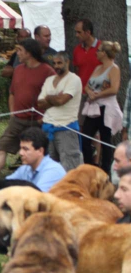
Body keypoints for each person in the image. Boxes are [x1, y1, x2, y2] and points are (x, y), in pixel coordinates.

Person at [0, 39, 55, 178]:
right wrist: (13, 112)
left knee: (32, 153)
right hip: (17, 120)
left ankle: (33, 181)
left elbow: (54, 96)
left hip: (37, 121)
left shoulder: (47, 71)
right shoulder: (18, 69)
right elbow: (12, 93)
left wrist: (44, 117)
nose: (16, 53)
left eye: (19, 50)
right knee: (1, 146)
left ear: (29, 53)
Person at [37, 52, 84, 171]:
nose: (56, 66)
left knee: (70, 167)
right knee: (49, 167)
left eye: (59, 63)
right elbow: (40, 103)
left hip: (66, 128)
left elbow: (61, 100)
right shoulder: (49, 80)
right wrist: (54, 98)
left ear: (67, 62)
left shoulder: (74, 79)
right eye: (54, 63)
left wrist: (48, 98)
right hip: (48, 128)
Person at [80, 41, 122, 172]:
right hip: (93, 108)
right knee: (85, 138)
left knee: (105, 140)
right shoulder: (98, 68)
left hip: (105, 108)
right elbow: (87, 85)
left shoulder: (114, 69)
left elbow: (114, 89)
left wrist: (98, 95)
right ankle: (90, 167)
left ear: (104, 53)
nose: (96, 53)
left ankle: (105, 170)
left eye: (98, 50)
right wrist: (89, 92)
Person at [6, 127, 66, 192]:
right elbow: (5, 185)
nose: (20, 153)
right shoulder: (26, 168)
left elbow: (36, 198)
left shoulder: (53, 171)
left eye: (25, 149)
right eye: (21, 148)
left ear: (40, 151)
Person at [73, 18, 102, 92]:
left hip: (97, 94)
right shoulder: (77, 50)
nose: (76, 35)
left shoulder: (101, 48)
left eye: (79, 32)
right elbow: (76, 71)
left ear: (88, 32)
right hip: (80, 93)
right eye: (76, 32)